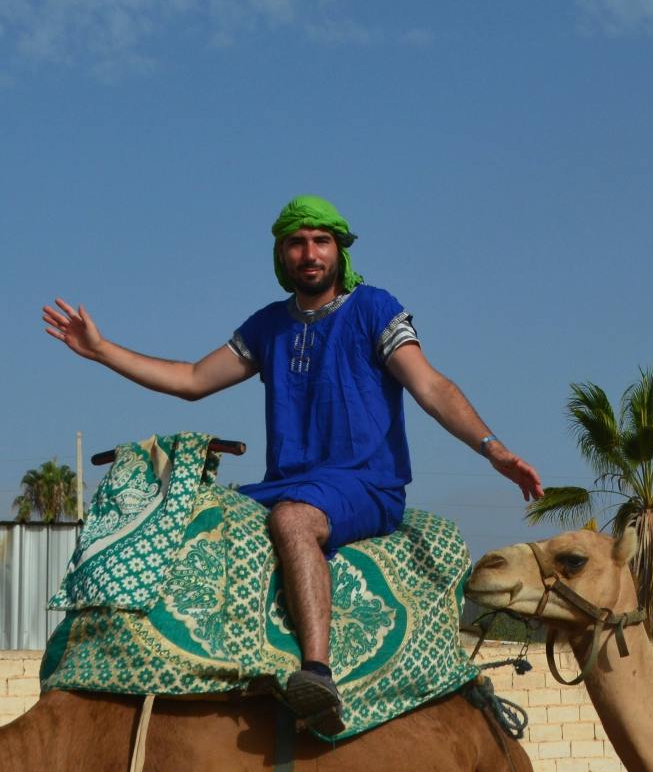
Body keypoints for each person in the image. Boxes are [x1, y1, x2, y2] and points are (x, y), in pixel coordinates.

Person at [43, 194, 543, 733]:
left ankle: (317, 674)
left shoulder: (374, 309)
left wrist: (491, 447)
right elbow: (191, 380)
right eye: (297, 242)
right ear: (281, 255)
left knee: (292, 520)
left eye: (321, 241)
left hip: (364, 485)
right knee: (196, 512)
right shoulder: (267, 327)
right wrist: (101, 350)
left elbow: (431, 386)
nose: (310, 253)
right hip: (288, 481)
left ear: (339, 251)